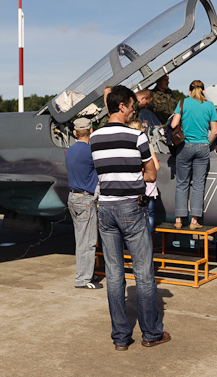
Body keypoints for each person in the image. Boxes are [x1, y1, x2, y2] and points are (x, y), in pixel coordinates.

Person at [90, 85, 170, 351]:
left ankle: (121, 338)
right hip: (131, 209)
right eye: (131, 104)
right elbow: (150, 174)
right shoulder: (137, 136)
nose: (134, 108)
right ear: (121, 106)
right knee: (144, 273)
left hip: (106, 209)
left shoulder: (94, 137)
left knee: (114, 275)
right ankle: (150, 333)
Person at [170, 80, 217, 230]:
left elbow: (173, 125)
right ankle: (194, 221)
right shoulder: (209, 105)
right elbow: (215, 131)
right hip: (203, 146)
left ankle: (179, 219)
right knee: (198, 185)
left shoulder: (183, 102)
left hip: (185, 146)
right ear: (203, 91)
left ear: (189, 92)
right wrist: (207, 144)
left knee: (182, 183)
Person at [65, 117, 102, 290]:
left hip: (73, 197)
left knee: (81, 239)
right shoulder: (91, 152)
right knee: (87, 242)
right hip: (85, 199)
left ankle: (86, 272)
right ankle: (83, 279)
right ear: (91, 131)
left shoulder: (70, 151)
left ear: (74, 133)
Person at [128, 120, 160, 233]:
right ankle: (148, 239)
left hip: (133, 187)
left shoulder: (128, 146)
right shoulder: (148, 145)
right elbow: (156, 166)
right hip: (149, 187)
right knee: (150, 214)